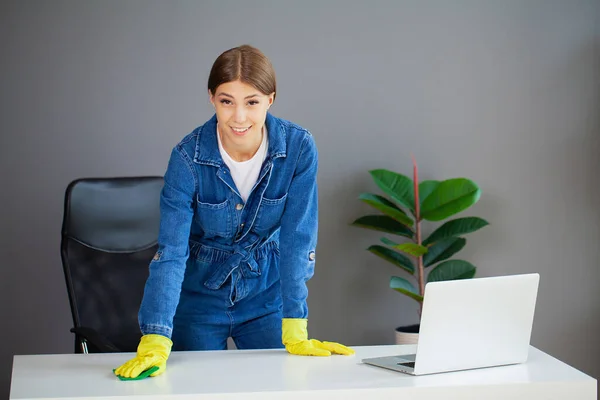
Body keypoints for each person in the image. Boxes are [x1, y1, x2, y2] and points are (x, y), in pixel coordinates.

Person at [114, 45, 354, 379]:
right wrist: (155, 334)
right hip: (198, 300)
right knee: (196, 390)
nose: (239, 117)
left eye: (252, 102)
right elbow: (171, 252)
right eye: (227, 101)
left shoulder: (298, 148)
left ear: (271, 99)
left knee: (281, 387)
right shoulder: (187, 158)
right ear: (211, 97)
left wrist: (295, 321)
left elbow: (298, 238)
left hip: (266, 297)